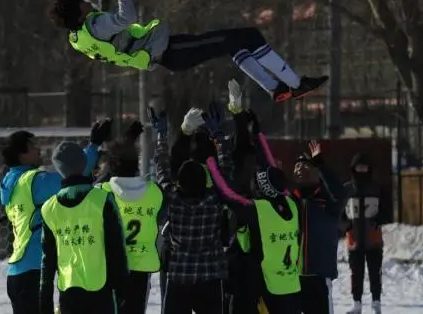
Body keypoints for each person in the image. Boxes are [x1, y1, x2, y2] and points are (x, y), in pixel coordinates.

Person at [47, 0, 329, 103]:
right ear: (79, 12)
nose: (86, 0)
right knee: (249, 36)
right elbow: (125, 19)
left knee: (235, 45)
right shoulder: (94, 24)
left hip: (167, 53)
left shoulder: (78, 39)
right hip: (170, 51)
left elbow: (112, 37)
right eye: (82, 1)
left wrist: (103, 4)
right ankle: (294, 83)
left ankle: (276, 88)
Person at [204, 101, 303, 314]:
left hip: (265, 287)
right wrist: (258, 134)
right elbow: (272, 169)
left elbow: (227, 193)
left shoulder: (258, 210)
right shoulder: (291, 203)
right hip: (290, 286)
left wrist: (210, 158)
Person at [0, 122, 107, 314]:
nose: (38, 149)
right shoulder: (33, 181)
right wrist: (93, 146)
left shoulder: (10, 182)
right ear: (22, 154)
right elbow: (72, 173)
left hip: (17, 273)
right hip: (33, 272)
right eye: (33, 146)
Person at [150, 107, 228, 314]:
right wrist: (218, 136)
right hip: (209, 276)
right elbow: (225, 172)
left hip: (179, 276)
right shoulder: (214, 200)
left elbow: (162, 169)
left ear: (180, 183)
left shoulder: (173, 198)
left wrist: (161, 135)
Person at [40, 141, 128, 314]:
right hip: (101, 290)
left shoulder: (49, 208)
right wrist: (122, 291)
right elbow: (116, 249)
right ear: (84, 163)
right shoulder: (102, 199)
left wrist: (45, 303)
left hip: (68, 291)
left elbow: (47, 261)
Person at [99, 136, 165, 314]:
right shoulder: (154, 192)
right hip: (141, 266)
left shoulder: (101, 193)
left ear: (111, 165)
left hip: (111, 266)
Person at [292, 141, 352, 314]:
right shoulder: (290, 201)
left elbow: (339, 193)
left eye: (305, 165)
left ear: (316, 172)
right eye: (296, 166)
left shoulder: (328, 201)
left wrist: (321, 164)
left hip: (318, 277)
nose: (300, 168)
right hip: (292, 277)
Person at [344, 154, 386, 314]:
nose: (361, 169)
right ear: (353, 168)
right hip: (354, 238)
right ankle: (357, 303)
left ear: (369, 168)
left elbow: (386, 210)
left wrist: (379, 219)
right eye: (358, 167)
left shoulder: (377, 188)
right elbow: (340, 211)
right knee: (356, 272)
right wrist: (345, 225)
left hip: (373, 237)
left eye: (364, 166)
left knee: (375, 271)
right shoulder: (347, 188)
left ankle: (376, 302)